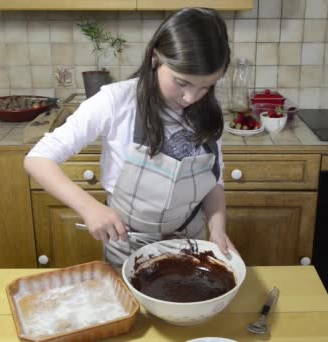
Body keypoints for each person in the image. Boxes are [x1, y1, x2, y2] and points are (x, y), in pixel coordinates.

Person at [24, 7, 237, 267]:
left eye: (206, 86)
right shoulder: (117, 101)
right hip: (127, 246)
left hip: (189, 243)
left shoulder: (207, 113)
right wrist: (89, 207)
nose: (191, 97)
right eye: (182, 82)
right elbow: (38, 158)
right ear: (155, 59)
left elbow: (214, 182)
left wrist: (217, 228)